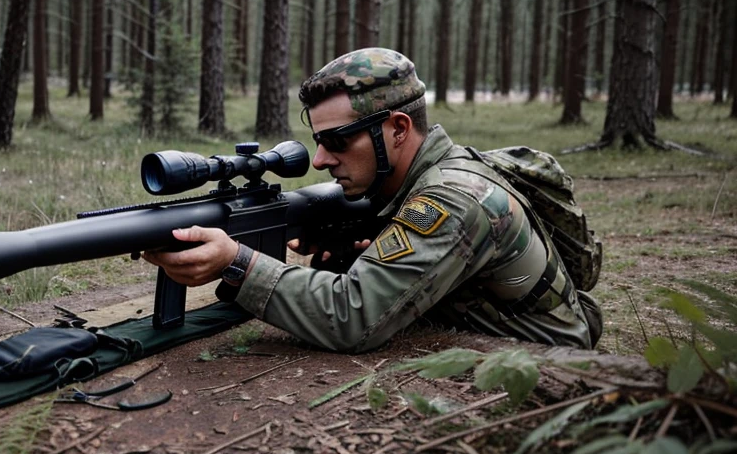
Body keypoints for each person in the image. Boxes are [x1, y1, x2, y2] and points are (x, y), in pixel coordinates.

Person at [143, 48, 602, 353]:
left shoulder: (451, 200)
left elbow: (351, 316)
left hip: (546, 358)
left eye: (338, 141)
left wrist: (237, 262)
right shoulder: (431, 175)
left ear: (399, 129)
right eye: (318, 140)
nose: (320, 159)